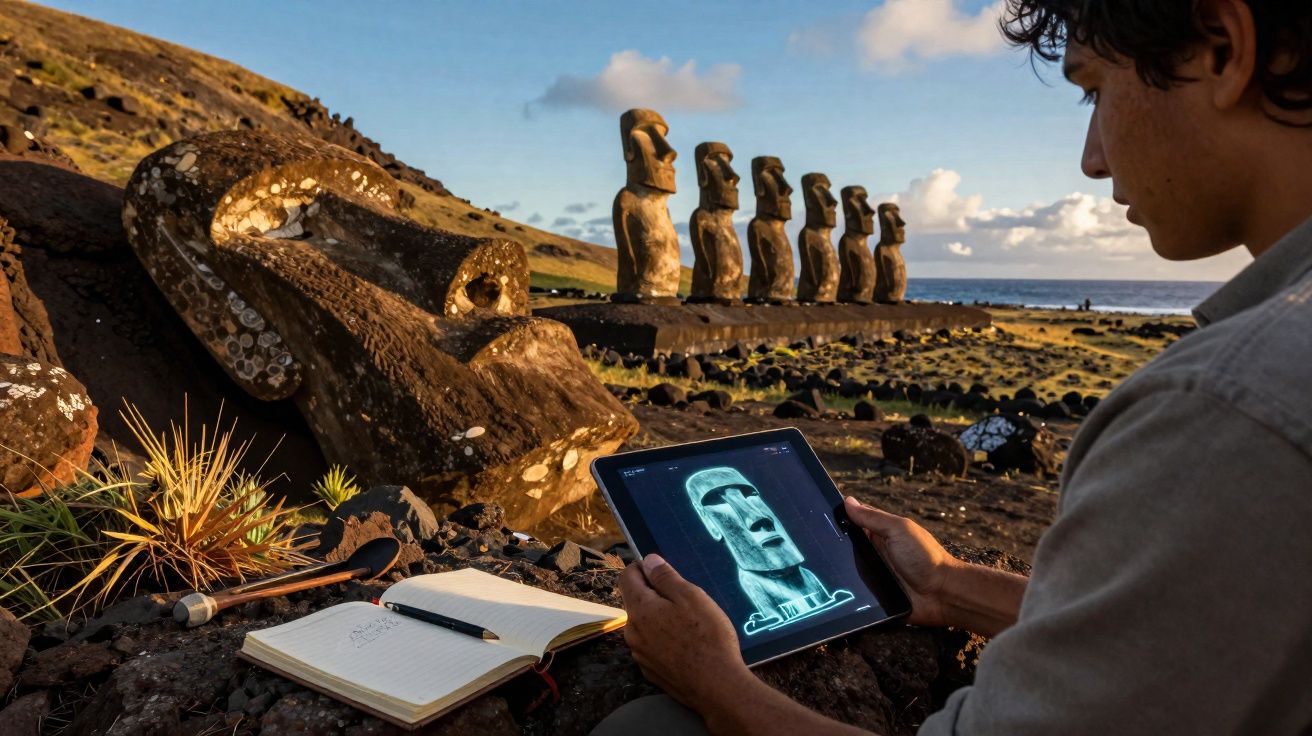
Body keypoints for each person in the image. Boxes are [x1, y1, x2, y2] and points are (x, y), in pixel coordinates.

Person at [593, 0, 1312, 733]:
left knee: (645, 725)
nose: (1092, 158)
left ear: (1223, 51)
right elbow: (1186, 621)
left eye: (1094, 90)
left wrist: (717, 685)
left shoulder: (1228, 408)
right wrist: (949, 584)